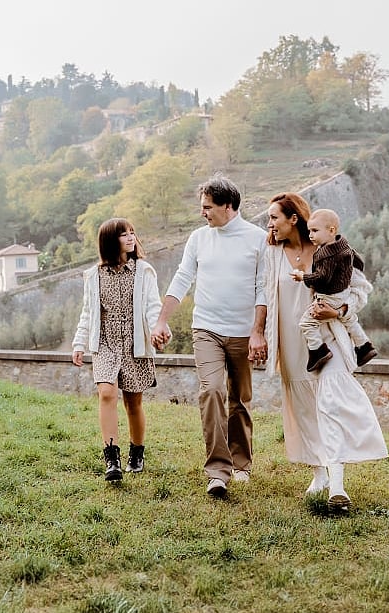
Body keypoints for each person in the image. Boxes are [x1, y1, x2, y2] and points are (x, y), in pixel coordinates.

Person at [264, 192, 388, 512]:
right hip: (292, 344)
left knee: (330, 403)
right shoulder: (272, 253)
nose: (270, 224)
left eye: (275, 217)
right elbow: (263, 297)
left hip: (328, 339)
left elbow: (361, 290)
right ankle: (319, 472)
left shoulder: (334, 249)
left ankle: (337, 485)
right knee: (306, 409)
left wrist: (340, 311)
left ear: (295, 219)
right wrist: (257, 334)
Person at [150, 174, 268, 499]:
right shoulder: (198, 238)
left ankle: (241, 464)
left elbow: (262, 289)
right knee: (212, 391)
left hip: (244, 333)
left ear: (228, 206)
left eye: (207, 207)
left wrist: (258, 332)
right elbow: (182, 278)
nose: (203, 213)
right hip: (206, 330)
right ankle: (218, 471)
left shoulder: (257, 239)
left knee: (240, 400)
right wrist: (161, 320)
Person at [72, 218, 162, 482]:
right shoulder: (94, 275)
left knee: (133, 402)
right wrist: (79, 343)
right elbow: (88, 313)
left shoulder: (144, 271)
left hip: (135, 344)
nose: (131, 238)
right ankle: (112, 457)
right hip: (106, 343)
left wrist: (158, 329)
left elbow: (152, 306)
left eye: (132, 233)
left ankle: (137, 450)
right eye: (124, 234)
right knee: (107, 394)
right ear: (111, 241)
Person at [289, 208, 377, 372]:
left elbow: (322, 277)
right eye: (309, 231)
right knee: (349, 320)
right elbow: (358, 261)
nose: (311, 235)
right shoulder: (345, 248)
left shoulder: (326, 254)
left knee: (307, 323)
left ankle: (318, 351)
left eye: (315, 231)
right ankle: (364, 346)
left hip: (329, 297)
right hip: (342, 295)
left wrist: (303, 277)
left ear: (331, 230)